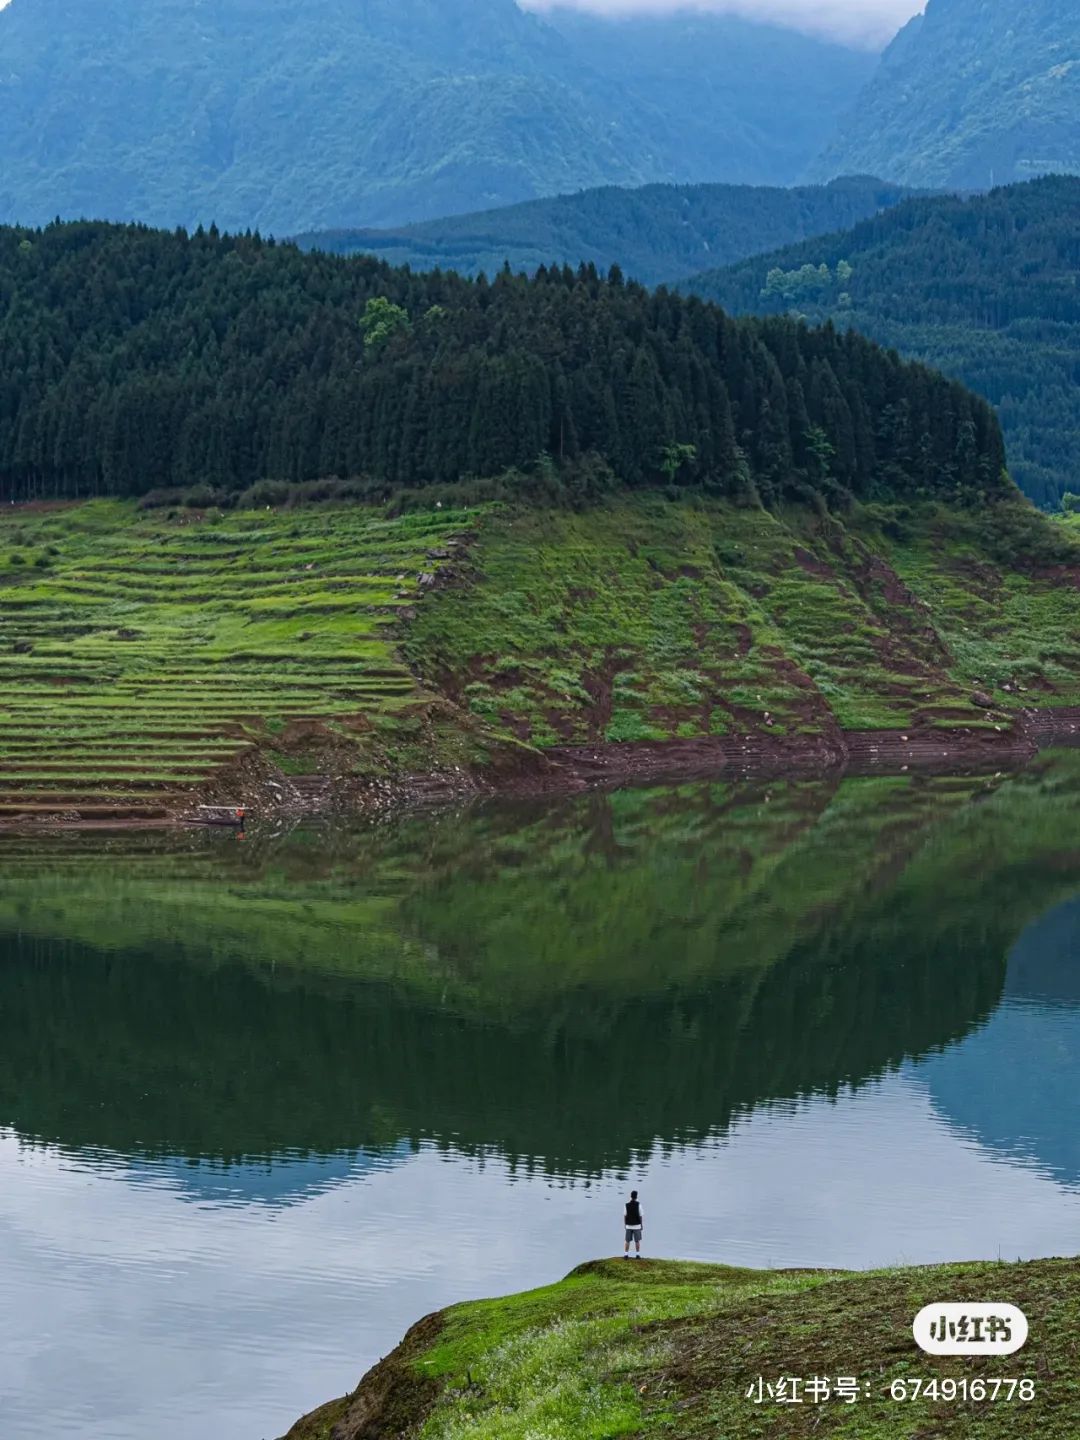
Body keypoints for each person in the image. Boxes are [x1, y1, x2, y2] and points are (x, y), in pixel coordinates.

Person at [623, 1190, 643, 1258]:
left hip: (628, 1225)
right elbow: (640, 1216)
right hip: (637, 1226)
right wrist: (641, 1225)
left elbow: (625, 1215)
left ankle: (626, 1254)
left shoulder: (626, 1205)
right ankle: (637, 1254)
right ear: (636, 1197)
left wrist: (625, 1224)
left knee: (627, 1241)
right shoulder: (639, 1205)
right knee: (637, 1241)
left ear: (630, 1196)